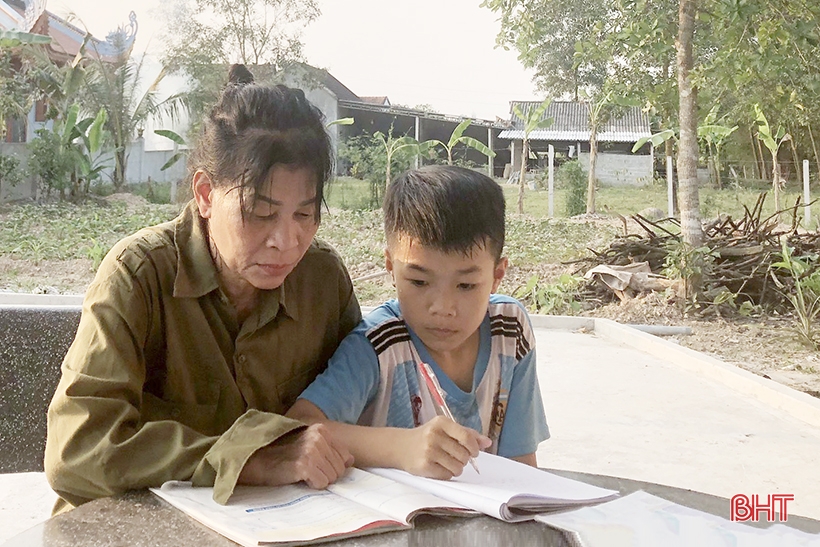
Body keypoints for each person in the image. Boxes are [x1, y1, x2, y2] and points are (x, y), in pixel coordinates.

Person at [44, 64, 360, 513]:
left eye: (304, 215)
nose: (286, 242)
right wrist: (247, 458)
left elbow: (362, 399)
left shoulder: (322, 281)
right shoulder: (137, 276)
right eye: (260, 213)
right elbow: (76, 453)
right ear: (206, 193)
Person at [287, 165, 549, 479]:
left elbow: (521, 465)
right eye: (419, 282)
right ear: (390, 267)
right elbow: (296, 429)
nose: (442, 308)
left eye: (466, 286)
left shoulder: (511, 329)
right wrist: (402, 448)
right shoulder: (379, 345)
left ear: (497, 275)